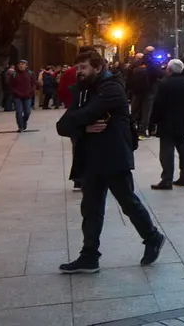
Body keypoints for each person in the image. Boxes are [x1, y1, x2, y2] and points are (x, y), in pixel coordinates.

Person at [55, 51, 164, 274]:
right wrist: (83, 127)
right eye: (78, 68)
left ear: (98, 68)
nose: (79, 72)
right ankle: (89, 256)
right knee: (91, 208)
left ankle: (152, 237)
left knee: (128, 203)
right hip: (91, 157)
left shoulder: (112, 89)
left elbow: (85, 114)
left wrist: (79, 122)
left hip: (114, 156)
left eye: (83, 67)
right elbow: (63, 125)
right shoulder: (83, 90)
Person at [149, 59, 184, 189]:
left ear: (169, 69)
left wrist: (152, 122)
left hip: (166, 122)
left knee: (166, 152)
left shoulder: (164, 84)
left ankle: (167, 179)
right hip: (181, 121)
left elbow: (157, 104)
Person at [8, 60, 35, 132]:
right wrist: (15, 92)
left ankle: (24, 121)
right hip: (17, 96)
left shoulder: (30, 73)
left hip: (27, 95)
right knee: (19, 111)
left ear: (26, 66)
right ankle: (20, 126)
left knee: (27, 112)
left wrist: (31, 91)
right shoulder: (14, 74)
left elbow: (33, 84)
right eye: (19, 64)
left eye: (23, 64)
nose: (21, 65)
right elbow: (11, 85)